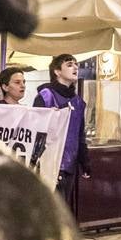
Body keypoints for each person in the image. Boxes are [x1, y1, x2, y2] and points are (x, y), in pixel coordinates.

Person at [34, 53, 90, 198]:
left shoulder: (78, 101)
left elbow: (80, 134)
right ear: (57, 71)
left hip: (69, 163)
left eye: (76, 64)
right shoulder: (46, 96)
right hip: (48, 162)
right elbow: (36, 130)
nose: (75, 67)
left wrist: (85, 161)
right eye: (69, 64)